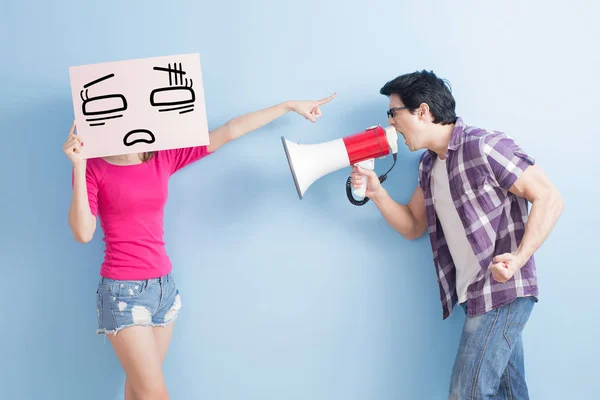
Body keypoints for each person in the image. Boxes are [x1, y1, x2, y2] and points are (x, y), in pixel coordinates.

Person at [63, 93, 336, 400]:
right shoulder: (93, 168)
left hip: (164, 289)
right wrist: (79, 163)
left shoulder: (161, 157)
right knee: (154, 393)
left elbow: (229, 131)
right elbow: (83, 233)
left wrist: (289, 105)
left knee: (138, 391)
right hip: (123, 293)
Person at [350, 70, 563, 399]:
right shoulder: (428, 165)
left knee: (466, 394)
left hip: (502, 290)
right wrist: (377, 192)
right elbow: (412, 225)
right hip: (471, 297)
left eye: (393, 113)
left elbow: (549, 197)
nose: (390, 123)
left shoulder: (485, 145)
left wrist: (519, 258)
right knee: (510, 393)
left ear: (422, 111)